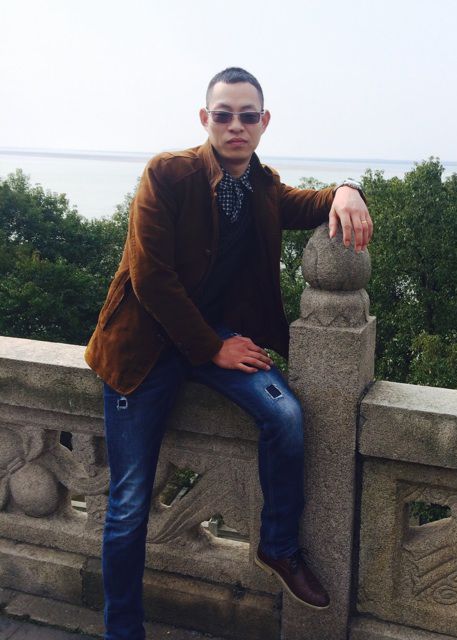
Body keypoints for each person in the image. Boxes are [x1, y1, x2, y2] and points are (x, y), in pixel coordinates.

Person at [84, 66, 372, 640]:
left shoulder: (262, 187)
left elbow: (310, 202)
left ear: (264, 123)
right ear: (205, 119)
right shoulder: (168, 174)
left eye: (247, 116)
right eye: (224, 115)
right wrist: (212, 346)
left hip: (210, 341)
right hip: (144, 348)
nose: (235, 126)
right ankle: (123, 631)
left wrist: (348, 189)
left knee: (285, 415)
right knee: (130, 503)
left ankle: (278, 546)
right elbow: (150, 278)